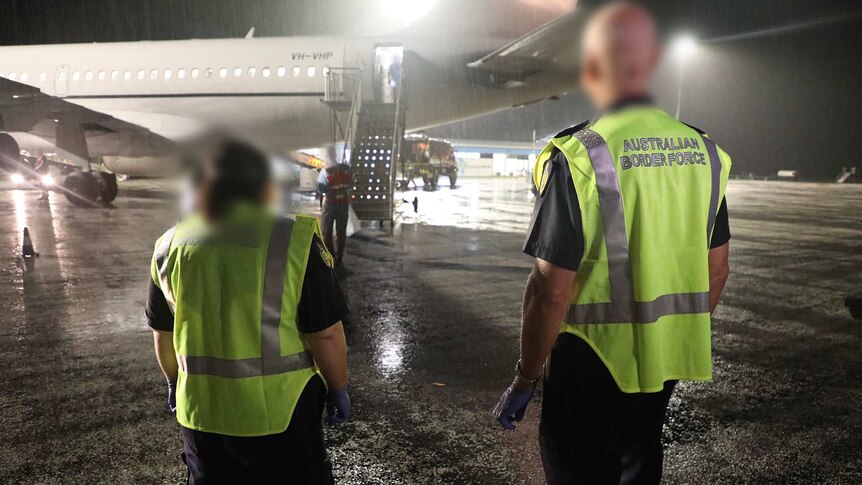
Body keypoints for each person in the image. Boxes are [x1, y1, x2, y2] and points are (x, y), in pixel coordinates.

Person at [493, 3, 732, 484]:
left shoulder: (580, 154)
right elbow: (717, 270)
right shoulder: (704, 151)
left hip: (590, 360)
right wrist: (664, 334)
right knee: (640, 461)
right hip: (665, 361)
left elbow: (550, 290)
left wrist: (526, 375)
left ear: (595, 69)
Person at [146, 141, 352, 484]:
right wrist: (338, 387)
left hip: (201, 413)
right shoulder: (295, 238)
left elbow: (163, 333)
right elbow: (325, 333)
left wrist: (172, 380)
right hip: (283, 414)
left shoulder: (169, 245)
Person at [317, 157, 352, 268]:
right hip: (343, 203)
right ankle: (339, 257)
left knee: (326, 231)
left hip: (330, 203)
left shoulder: (325, 171)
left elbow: (320, 188)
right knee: (341, 232)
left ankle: (330, 257)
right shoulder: (347, 169)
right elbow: (351, 184)